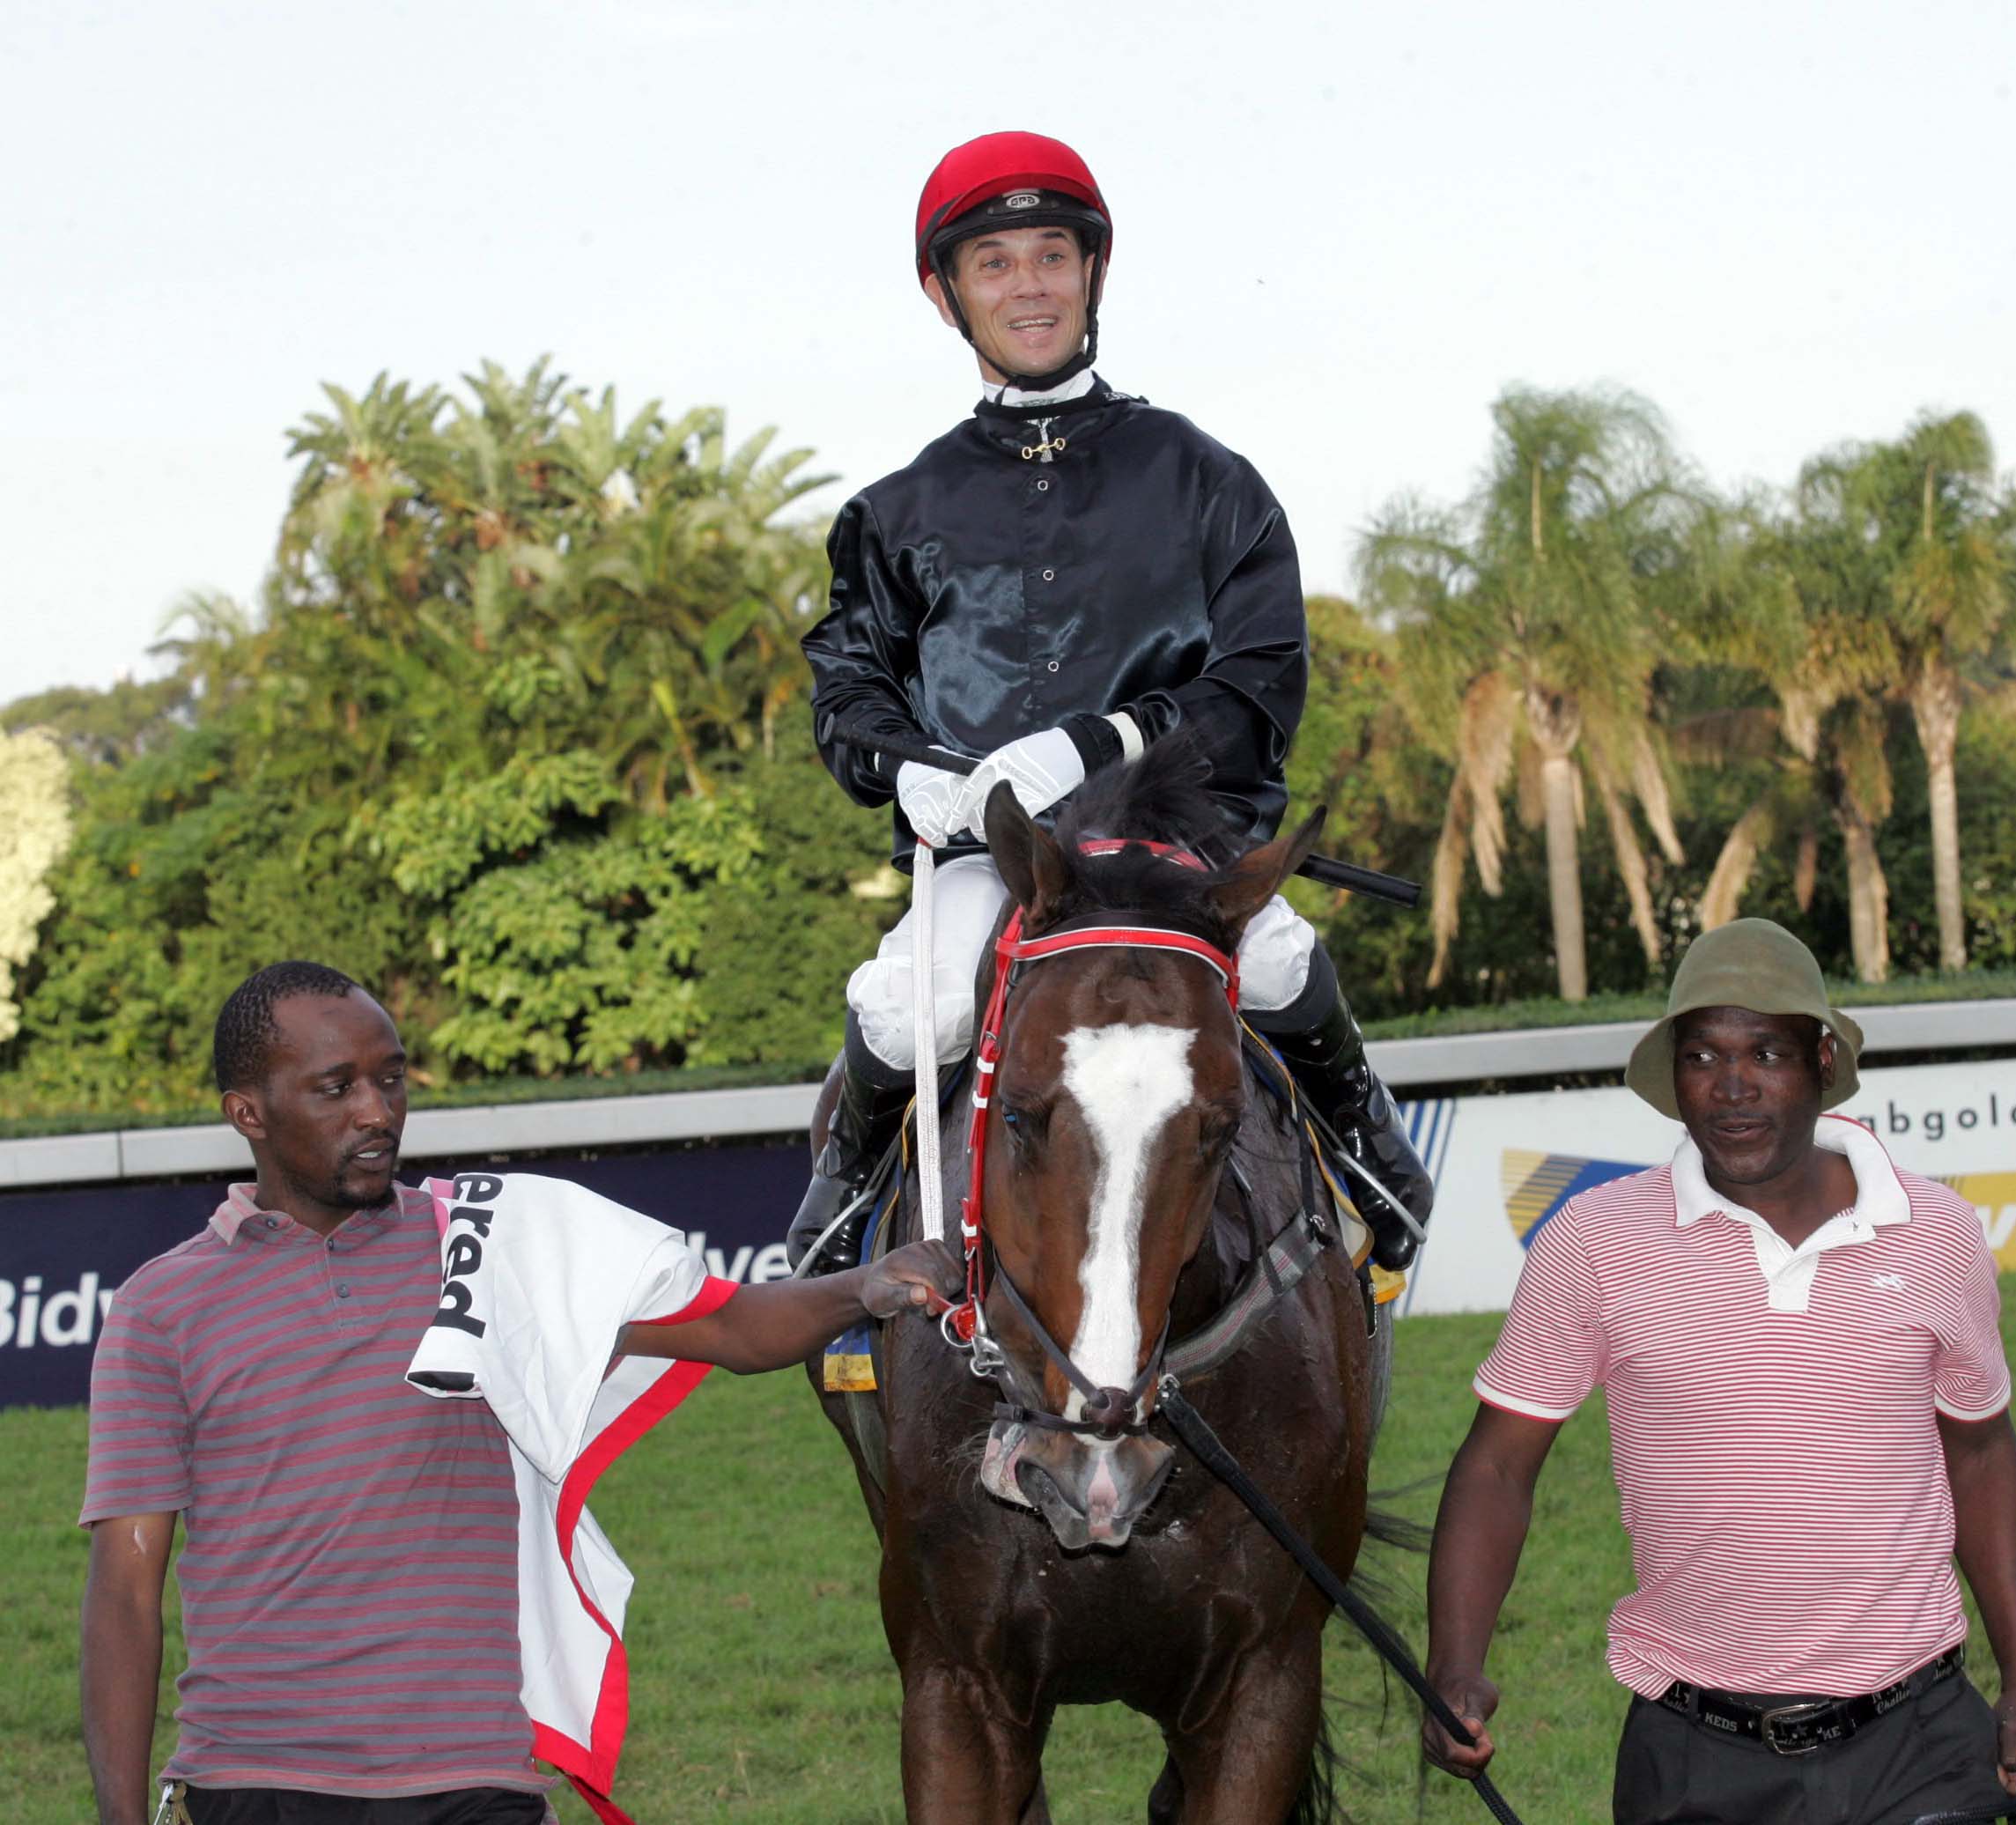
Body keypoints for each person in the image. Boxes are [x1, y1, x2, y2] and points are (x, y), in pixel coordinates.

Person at [80, 961, 958, 1825]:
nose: (377, 1112)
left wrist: (864, 1284)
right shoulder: (162, 1307)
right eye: (336, 1088)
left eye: (391, 1078)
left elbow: (730, 1328)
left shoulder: (488, 1245)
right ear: (248, 1112)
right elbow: (124, 1587)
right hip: (252, 1782)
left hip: (476, 1781)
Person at [793, 129, 1428, 1275]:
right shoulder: (890, 513)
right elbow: (846, 694)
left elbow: (1261, 681)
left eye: (1051, 255)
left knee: (1275, 960)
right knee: (906, 1004)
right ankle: (838, 1206)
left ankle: (1370, 1145)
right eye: (993, 264)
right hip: (995, 858)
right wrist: (908, 768)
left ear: (1093, 271)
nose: (1028, 285)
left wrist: (1101, 740)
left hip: (1170, 843)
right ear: (945, 296)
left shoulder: (1208, 479)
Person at [1421, 919, 2016, 1824]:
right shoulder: (1593, 1239)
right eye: (1702, 1056)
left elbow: (1982, 1452)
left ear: (1821, 1060)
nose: (1732, 1086)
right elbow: (1497, 1463)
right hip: (1695, 1752)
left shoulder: (1937, 1231)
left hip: (1917, 1739)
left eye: (1766, 1052)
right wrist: (1454, 1664)